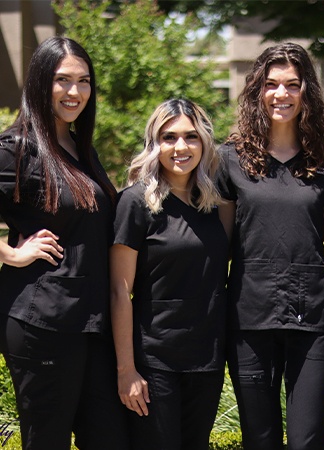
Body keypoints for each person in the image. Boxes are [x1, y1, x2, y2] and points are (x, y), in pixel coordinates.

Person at [0, 36, 129, 450]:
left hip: (93, 324)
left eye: (84, 81)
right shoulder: (17, 148)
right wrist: (12, 254)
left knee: (109, 437)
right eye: (62, 80)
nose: (75, 92)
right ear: (40, 82)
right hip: (43, 322)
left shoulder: (79, 147)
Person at [217, 42, 324, 450]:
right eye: (271, 84)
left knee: (308, 439)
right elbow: (219, 242)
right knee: (260, 438)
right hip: (249, 318)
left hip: (314, 318)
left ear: (307, 92)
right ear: (257, 90)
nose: (280, 94)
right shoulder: (229, 159)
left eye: (292, 84)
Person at [110, 98, 229, 450]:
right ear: (154, 144)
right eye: (169, 137)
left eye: (191, 137)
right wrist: (126, 371)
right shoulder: (136, 202)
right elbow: (120, 290)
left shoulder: (213, 204)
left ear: (204, 143)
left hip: (206, 360)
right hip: (154, 362)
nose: (181, 147)